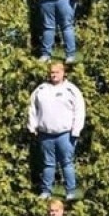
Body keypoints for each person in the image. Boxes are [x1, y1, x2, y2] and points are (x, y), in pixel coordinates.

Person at [27, 60, 86, 200]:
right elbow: (32, 109)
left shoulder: (71, 90)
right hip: (45, 135)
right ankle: (46, 191)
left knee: (67, 163)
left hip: (66, 135)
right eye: (51, 72)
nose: (53, 75)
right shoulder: (41, 90)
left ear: (63, 73)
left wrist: (76, 130)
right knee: (48, 164)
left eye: (57, 72)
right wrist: (32, 126)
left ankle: (71, 192)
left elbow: (79, 110)